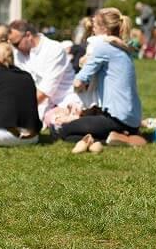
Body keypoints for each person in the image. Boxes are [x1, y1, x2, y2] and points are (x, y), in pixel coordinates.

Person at [54, 8, 144, 149]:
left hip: (116, 118)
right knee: (75, 130)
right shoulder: (121, 46)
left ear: (104, 29)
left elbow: (79, 82)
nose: (92, 29)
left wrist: (82, 64)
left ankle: (120, 138)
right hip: (133, 118)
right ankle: (121, 136)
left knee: (62, 131)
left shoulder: (102, 46)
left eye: (95, 26)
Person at [7, 19, 80, 123]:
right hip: (40, 103)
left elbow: (45, 91)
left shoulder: (54, 49)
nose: (15, 48)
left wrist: (19, 110)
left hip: (64, 99)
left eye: (16, 43)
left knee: (56, 122)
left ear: (28, 35)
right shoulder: (18, 54)